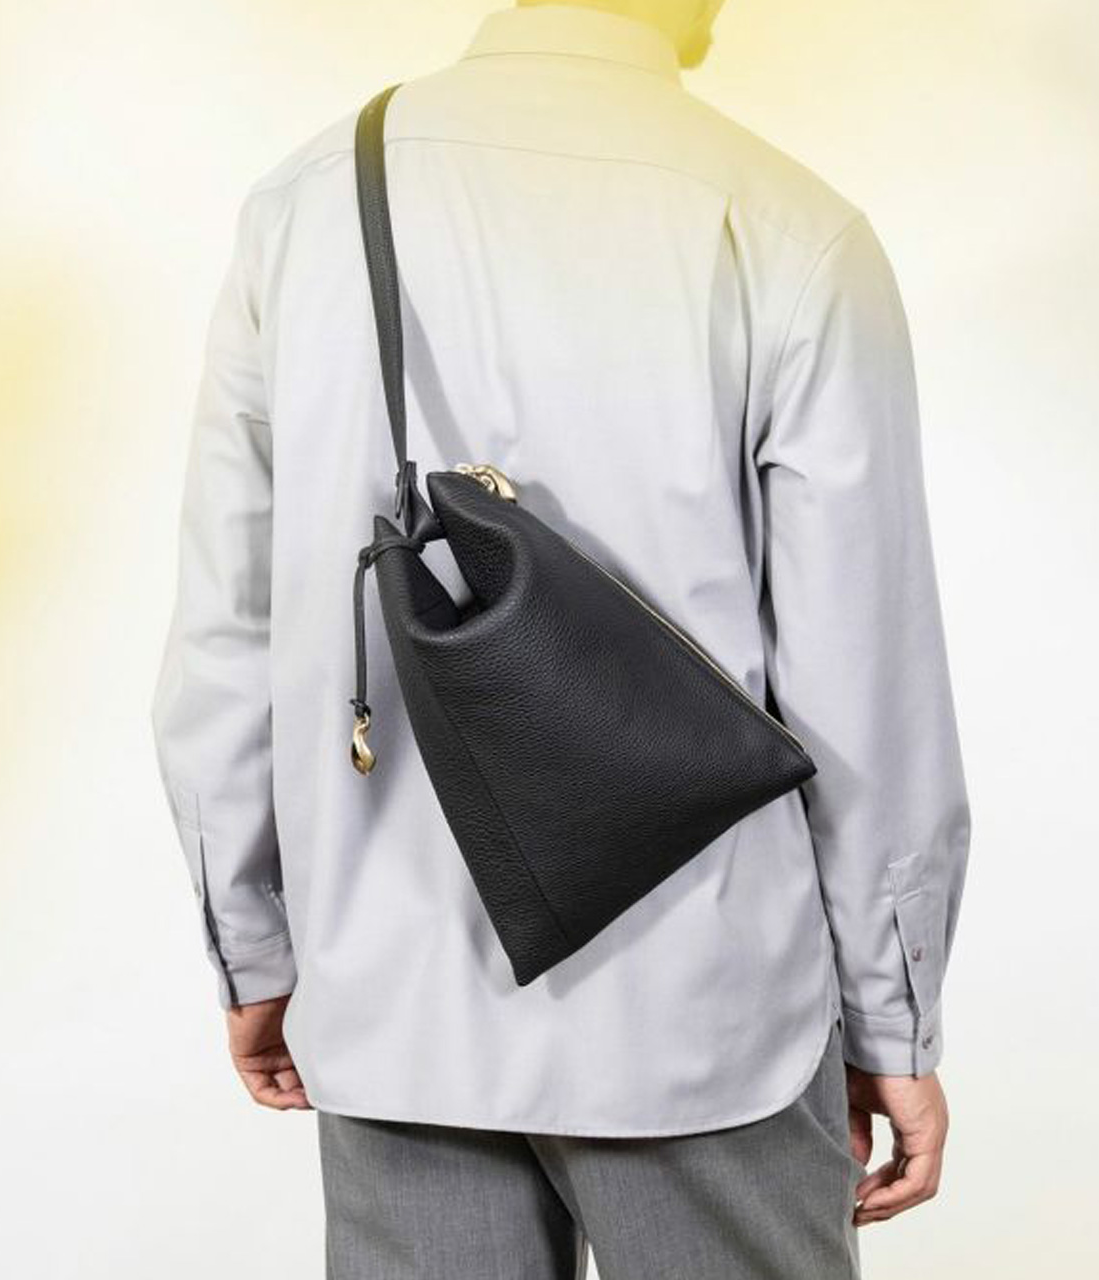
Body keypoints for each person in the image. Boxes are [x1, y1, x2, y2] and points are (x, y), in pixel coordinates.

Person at [150, 2, 971, 1275]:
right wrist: (893, 1013)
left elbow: (226, 631)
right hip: (705, 1014)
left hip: (394, 999)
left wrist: (250, 944)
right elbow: (863, 680)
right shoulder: (787, 227)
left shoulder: (307, 204)